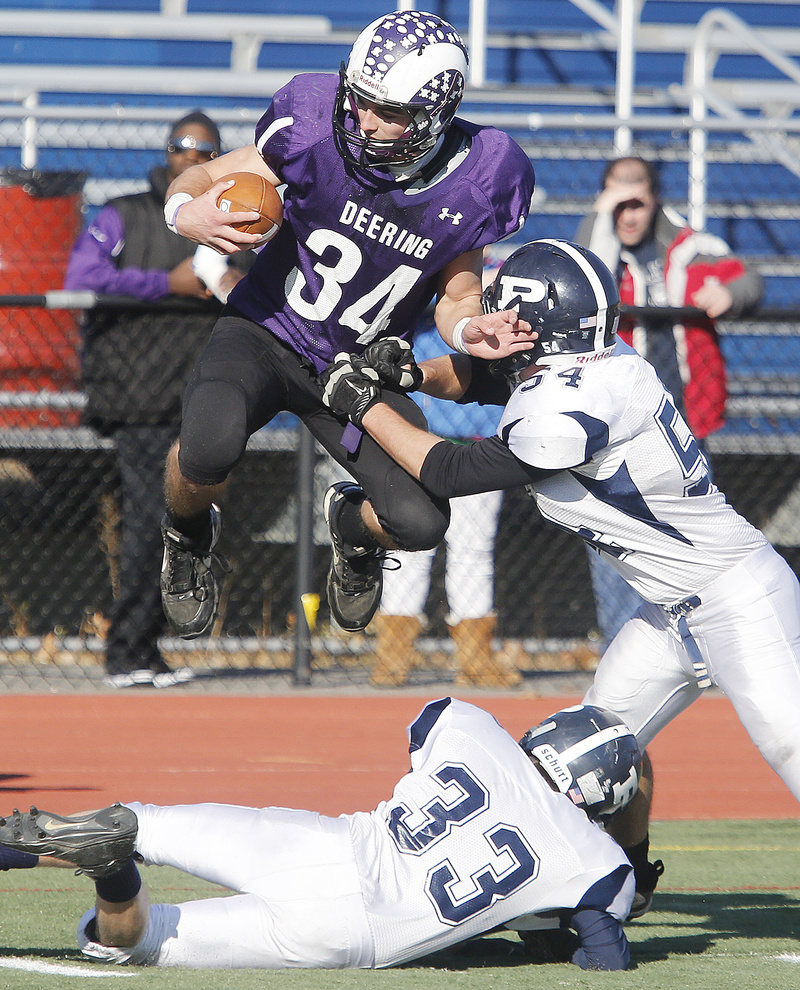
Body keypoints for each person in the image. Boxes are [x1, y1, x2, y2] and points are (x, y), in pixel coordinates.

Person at [318, 237, 800, 919]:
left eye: (508, 312)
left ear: (538, 320)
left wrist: (364, 406)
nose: (496, 324)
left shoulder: (570, 406)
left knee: (792, 743)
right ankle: (631, 878)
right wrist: (408, 378)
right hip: (671, 616)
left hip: (738, 597)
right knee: (595, 753)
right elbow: (486, 379)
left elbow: (449, 472)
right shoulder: (594, 367)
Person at [156, 10, 536, 644]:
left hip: (353, 372)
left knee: (420, 522)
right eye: (357, 100)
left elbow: (457, 291)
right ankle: (186, 536)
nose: (362, 121)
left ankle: (355, 534)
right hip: (265, 330)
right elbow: (206, 176)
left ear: (433, 114)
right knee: (207, 446)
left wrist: (469, 330)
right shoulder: (313, 123)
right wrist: (182, 209)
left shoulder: (482, 176)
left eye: (385, 111)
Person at [0, 699, 641, 971]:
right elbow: (605, 958)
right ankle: (115, 880)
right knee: (141, 941)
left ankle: (100, 850)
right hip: (351, 935)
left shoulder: (472, 726)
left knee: (142, 823)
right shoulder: (595, 860)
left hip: (325, 845)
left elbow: (424, 731)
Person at [64, 111, 250, 689]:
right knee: (151, 521)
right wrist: (163, 285)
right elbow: (81, 277)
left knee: (175, 521)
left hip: (197, 395)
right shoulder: (126, 212)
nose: (192, 159)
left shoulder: (239, 216)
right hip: (136, 392)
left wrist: (225, 283)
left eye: (205, 151)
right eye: (182, 147)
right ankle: (129, 652)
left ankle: (142, 649)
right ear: (166, 151)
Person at [574, 155, 763, 647]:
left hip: (685, 417)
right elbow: (585, 272)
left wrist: (731, 292)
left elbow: (746, 278)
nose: (629, 216)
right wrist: (602, 217)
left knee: (697, 535)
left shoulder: (691, 248)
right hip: (615, 423)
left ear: (655, 199)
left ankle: (706, 640)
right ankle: (623, 642)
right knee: (614, 539)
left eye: (637, 202)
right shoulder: (597, 251)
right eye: (619, 203)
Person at [374, 326, 516, 688]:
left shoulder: (504, 273)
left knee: (473, 547)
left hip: (481, 434)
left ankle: (475, 659)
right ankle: (392, 657)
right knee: (409, 542)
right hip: (416, 429)